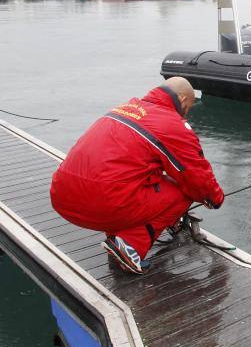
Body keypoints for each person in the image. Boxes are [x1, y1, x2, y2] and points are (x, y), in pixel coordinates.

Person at [50, 77, 224, 274]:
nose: (187, 113)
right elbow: (197, 177)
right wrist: (214, 199)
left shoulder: (125, 108)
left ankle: (117, 237)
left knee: (129, 178)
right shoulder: (172, 124)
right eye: (189, 107)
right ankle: (130, 245)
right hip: (103, 203)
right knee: (186, 191)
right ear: (183, 100)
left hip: (62, 197)